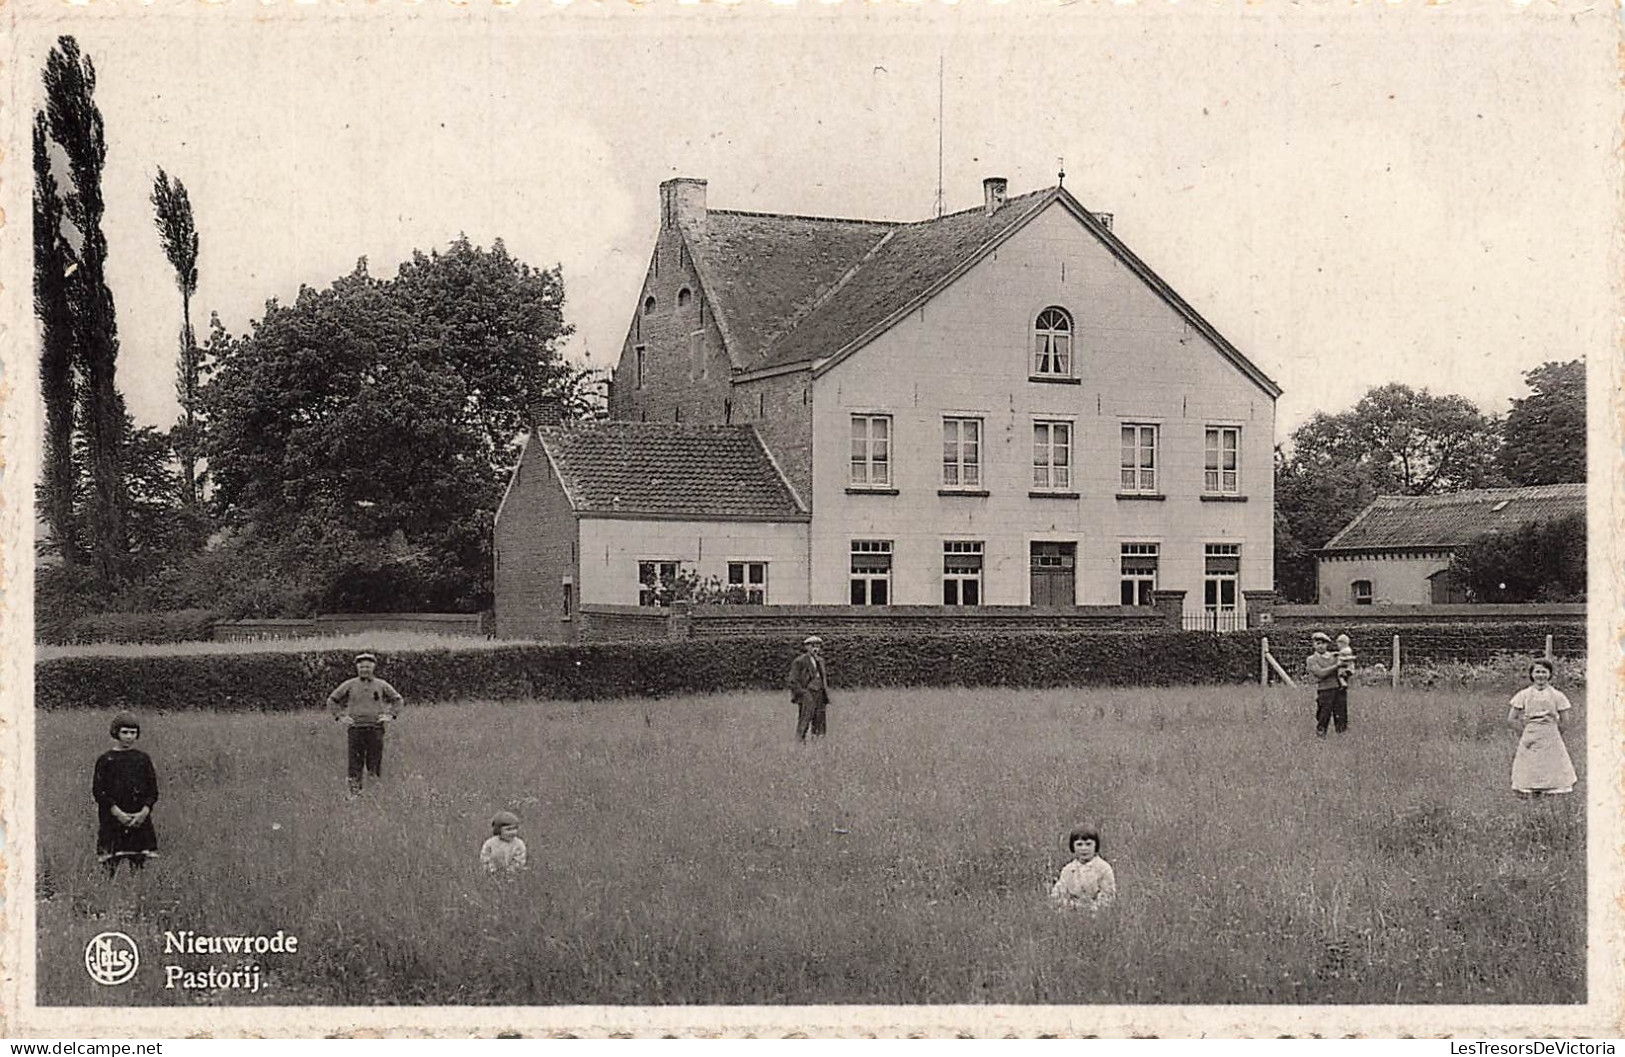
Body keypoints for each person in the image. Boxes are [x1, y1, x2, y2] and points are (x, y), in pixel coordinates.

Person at [327, 652, 404, 796]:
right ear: (357, 668)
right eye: (362, 668)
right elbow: (332, 699)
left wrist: (390, 715)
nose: (364, 670)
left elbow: (398, 699)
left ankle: (375, 794)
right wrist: (340, 717)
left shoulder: (381, 684)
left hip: (376, 729)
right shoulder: (349, 684)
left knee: (374, 763)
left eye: (368, 667)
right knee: (355, 764)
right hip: (355, 729)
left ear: (373, 668)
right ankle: (355, 794)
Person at [93, 713, 159, 878]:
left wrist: (144, 812)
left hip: (138, 817)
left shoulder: (143, 759)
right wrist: (117, 813)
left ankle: (136, 893)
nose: (129, 737)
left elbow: (152, 790)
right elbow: (99, 791)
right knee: (111, 862)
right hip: (114, 817)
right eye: (125, 732)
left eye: (133, 733)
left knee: (138, 862)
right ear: (116, 733)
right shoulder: (106, 760)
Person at [1507, 660, 1577, 798]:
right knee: (1530, 764)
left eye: (1544, 672)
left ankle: (1551, 793)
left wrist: (1555, 733)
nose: (1540, 675)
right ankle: (1530, 793)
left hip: (1551, 734)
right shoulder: (1523, 694)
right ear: (1532, 675)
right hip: (1530, 735)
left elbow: (1565, 720)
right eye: (1537, 672)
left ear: (1550, 674)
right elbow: (1511, 718)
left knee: (1552, 763)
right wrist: (1525, 734)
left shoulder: (1558, 695)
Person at [1050, 826, 1116, 914]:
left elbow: (1108, 897)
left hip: (1096, 915)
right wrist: (1070, 906)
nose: (1084, 849)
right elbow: (1058, 895)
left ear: (1095, 845)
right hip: (1071, 914)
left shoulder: (1103, 868)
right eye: (1079, 844)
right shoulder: (1068, 870)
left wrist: (1089, 909)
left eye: (1088, 844)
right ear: (1072, 846)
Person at [787, 635, 830, 741]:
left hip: (820, 694)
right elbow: (793, 680)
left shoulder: (821, 661)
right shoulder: (799, 661)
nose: (816, 649)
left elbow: (823, 677)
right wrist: (803, 693)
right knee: (804, 720)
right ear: (807, 647)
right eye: (813, 646)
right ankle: (799, 743)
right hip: (807, 694)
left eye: (818, 646)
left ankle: (818, 743)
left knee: (820, 720)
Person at [1306, 631, 1347, 737]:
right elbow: (1320, 673)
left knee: (1341, 715)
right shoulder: (1311, 659)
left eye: (1323, 643)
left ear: (1327, 644)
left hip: (1339, 689)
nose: (1320, 646)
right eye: (1318, 643)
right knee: (1323, 715)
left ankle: (1342, 737)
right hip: (1325, 690)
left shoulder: (1335, 656)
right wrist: (1336, 666)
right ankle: (1321, 736)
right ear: (1313, 645)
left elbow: (1346, 668)